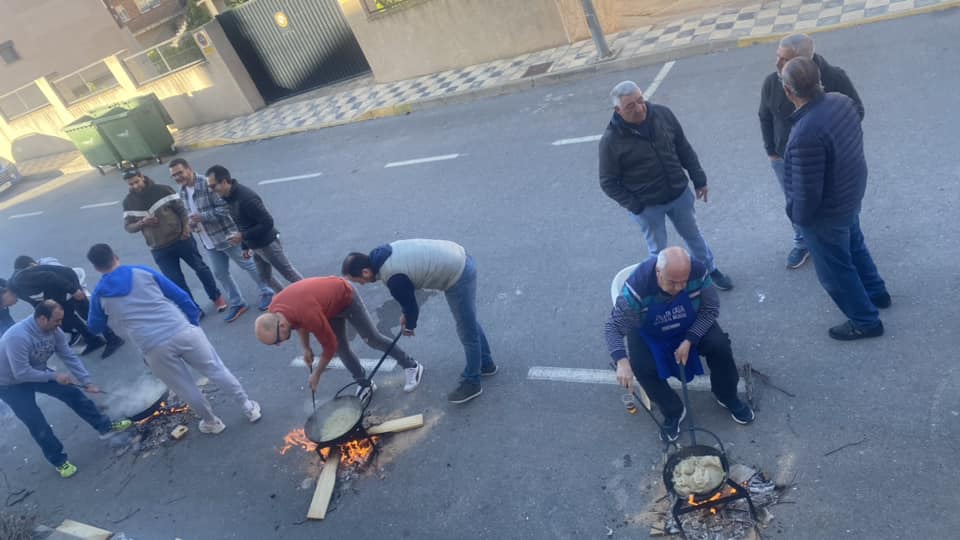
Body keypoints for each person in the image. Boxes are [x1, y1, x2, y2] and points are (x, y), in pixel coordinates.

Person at [86, 243, 262, 434]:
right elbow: (179, 295)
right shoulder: (142, 271)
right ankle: (248, 407)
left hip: (152, 346)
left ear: (96, 267)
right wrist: (193, 321)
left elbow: (94, 327)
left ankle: (212, 422)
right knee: (215, 369)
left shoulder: (99, 295)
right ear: (115, 256)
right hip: (181, 329)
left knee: (185, 387)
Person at [780, 57, 889, 340]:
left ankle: (865, 321)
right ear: (819, 81)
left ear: (789, 92)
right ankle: (877, 293)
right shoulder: (841, 101)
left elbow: (807, 191)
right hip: (850, 194)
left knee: (836, 270)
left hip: (826, 213)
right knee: (855, 245)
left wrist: (798, 219)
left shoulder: (805, 133)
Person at [605, 247, 754, 442]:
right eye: (673, 283)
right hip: (649, 327)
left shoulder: (698, 271)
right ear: (658, 273)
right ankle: (673, 411)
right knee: (641, 367)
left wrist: (690, 340)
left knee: (720, 345)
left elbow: (710, 309)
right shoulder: (636, 290)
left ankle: (727, 395)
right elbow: (613, 328)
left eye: (684, 282)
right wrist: (621, 362)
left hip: (688, 322)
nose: (680, 288)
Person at [600, 81, 733, 290]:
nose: (639, 108)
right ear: (617, 110)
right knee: (658, 252)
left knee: (693, 236)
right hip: (647, 207)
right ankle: (663, 287)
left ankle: (709, 270)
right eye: (630, 106)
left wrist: (699, 179)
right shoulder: (611, 141)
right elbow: (607, 182)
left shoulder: (663, 115)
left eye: (640, 101)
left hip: (678, 195)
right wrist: (636, 206)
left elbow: (683, 147)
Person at [342, 239, 495, 404]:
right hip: (457, 256)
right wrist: (405, 314)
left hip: (458, 273)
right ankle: (486, 363)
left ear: (365, 272)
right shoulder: (380, 255)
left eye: (358, 281)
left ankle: (473, 382)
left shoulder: (393, 277)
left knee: (466, 330)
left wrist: (409, 326)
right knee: (468, 321)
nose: (362, 285)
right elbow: (407, 297)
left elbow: (412, 307)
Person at [759, 34, 865, 269]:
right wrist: (772, 152)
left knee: (838, 202)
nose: (778, 64)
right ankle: (802, 242)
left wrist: (837, 138)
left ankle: (847, 238)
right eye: (777, 56)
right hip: (786, 158)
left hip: (830, 160)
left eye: (785, 59)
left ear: (806, 60)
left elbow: (856, 111)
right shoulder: (772, 82)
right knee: (796, 201)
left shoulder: (835, 77)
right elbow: (765, 115)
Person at [0, 300, 133, 478]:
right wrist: (54, 376)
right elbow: (21, 373)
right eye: (56, 320)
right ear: (42, 319)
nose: (60, 324)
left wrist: (86, 381)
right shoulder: (17, 337)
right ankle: (59, 461)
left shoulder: (54, 331)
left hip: (37, 371)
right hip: (10, 384)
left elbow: (68, 356)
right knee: (36, 422)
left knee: (72, 393)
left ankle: (105, 426)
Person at [254, 277, 423, 399]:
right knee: (343, 350)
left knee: (372, 338)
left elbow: (329, 347)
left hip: (345, 297)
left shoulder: (307, 314)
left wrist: (317, 374)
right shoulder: (276, 310)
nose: (279, 344)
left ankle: (412, 366)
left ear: (280, 326)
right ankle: (364, 383)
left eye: (277, 341)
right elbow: (297, 323)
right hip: (325, 308)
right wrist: (306, 348)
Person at [170, 158, 278, 322]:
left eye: (180, 172)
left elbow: (225, 208)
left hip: (227, 236)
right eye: (174, 175)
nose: (178, 177)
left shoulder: (207, 184)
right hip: (209, 240)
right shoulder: (182, 191)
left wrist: (202, 217)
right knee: (220, 273)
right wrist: (191, 224)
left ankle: (268, 292)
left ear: (189, 169)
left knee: (248, 265)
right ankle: (237, 302)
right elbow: (190, 213)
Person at [121, 166, 225, 316]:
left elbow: (182, 210)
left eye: (137, 181)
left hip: (181, 239)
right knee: (176, 281)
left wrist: (186, 229)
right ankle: (193, 308)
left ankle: (216, 297)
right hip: (159, 248)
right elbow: (128, 227)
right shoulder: (128, 202)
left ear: (142, 176)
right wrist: (142, 223)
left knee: (200, 268)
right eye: (131, 184)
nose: (135, 186)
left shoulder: (163, 190)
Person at [205, 166, 304, 289]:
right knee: (265, 277)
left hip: (268, 245)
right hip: (254, 245)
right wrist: (245, 246)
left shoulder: (246, 198)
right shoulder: (229, 197)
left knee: (290, 275)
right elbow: (241, 223)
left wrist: (243, 236)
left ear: (224, 182)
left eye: (213, 186)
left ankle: (314, 297)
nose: (211, 190)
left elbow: (268, 222)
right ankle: (285, 300)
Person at [5, 258, 124, 358]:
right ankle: (93, 340)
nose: (8, 306)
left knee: (85, 311)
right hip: (56, 289)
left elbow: (50, 276)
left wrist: (74, 291)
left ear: (6, 293)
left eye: (4, 303)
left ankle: (113, 338)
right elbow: (36, 302)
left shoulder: (20, 280)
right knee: (66, 317)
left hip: (66, 279)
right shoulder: (17, 290)